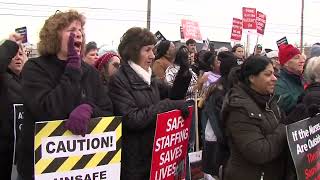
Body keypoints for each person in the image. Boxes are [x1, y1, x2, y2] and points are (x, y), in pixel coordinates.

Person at [17, 10, 113, 179]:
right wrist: (72, 69)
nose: (78, 34)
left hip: (84, 167)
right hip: (40, 168)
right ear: (54, 35)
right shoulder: (34, 68)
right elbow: (46, 110)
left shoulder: (90, 72)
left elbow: (107, 112)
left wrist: (89, 109)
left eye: (80, 31)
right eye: (71, 30)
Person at [108, 27, 191, 179]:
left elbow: (173, 96)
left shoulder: (149, 77)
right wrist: (165, 106)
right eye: (147, 50)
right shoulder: (119, 80)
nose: (152, 55)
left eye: (153, 50)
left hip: (156, 156)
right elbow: (131, 118)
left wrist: (184, 74)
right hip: (134, 161)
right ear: (133, 51)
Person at [222, 56, 287, 180]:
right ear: (252, 78)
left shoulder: (269, 99)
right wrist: (284, 128)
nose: (274, 79)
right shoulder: (239, 108)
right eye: (268, 74)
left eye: (274, 73)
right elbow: (259, 152)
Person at [200, 51, 238, 180]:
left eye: (219, 62)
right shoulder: (217, 88)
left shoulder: (228, 88)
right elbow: (213, 121)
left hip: (223, 144)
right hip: (221, 142)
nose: (216, 64)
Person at [0, 33, 23, 180]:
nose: (18, 57)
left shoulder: (30, 81)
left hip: (23, 157)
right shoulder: (2, 80)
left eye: (21, 54)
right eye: (13, 54)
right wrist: (10, 45)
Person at [275, 44, 305, 114]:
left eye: (302, 57)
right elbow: (288, 108)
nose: (302, 61)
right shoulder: (279, 84)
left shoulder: (303, 78)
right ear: (286, 63)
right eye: (297, 58)